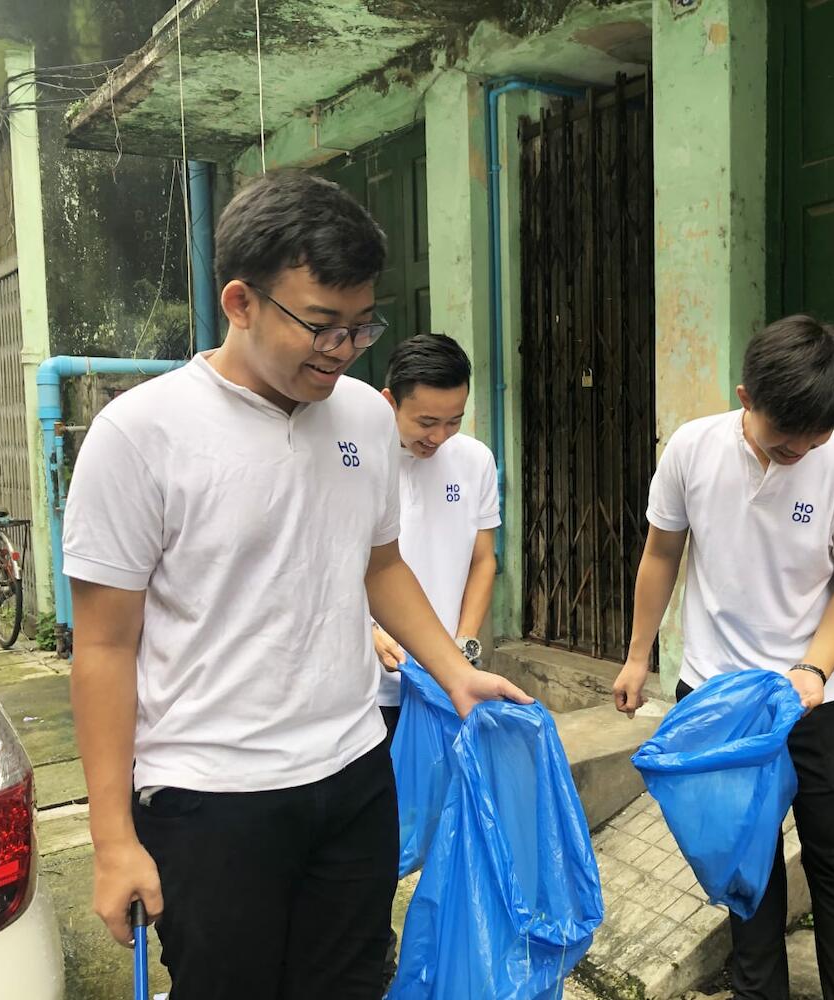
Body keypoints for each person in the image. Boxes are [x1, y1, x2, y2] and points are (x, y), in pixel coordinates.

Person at [63, 170, 528, 1000]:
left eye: (360, 327)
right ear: (240, 302)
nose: (343, 350)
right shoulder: (140, 434)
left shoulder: (359, 417)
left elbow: (380, 564)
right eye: (320, 326)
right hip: (211, 794)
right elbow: (103, 644)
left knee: (349, 983)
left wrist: (452, 671)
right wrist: (111, 839)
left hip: (351, 772)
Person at [612, 315, 834, 1000]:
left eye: (811, 439)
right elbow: (661, 551)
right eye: (780, 438)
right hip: (714, 696)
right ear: (744, 396)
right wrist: (637, 654)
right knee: (745, 871)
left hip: (817, 695)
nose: (796, 450)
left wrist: (813, 668)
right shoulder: (690, 448)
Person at [368, 332, 500, 980]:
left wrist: (464, 648)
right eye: (425, 421)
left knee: (446, 837)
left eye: (453, 419)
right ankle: (374, 964)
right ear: (390, 400)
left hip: (445, 688)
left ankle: (434, 965)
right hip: (370, 695)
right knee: (370, 847)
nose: (439, 435)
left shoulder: (473, 461)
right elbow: (340, 565)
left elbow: (482, 561)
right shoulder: (359, 460)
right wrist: (364, 630)